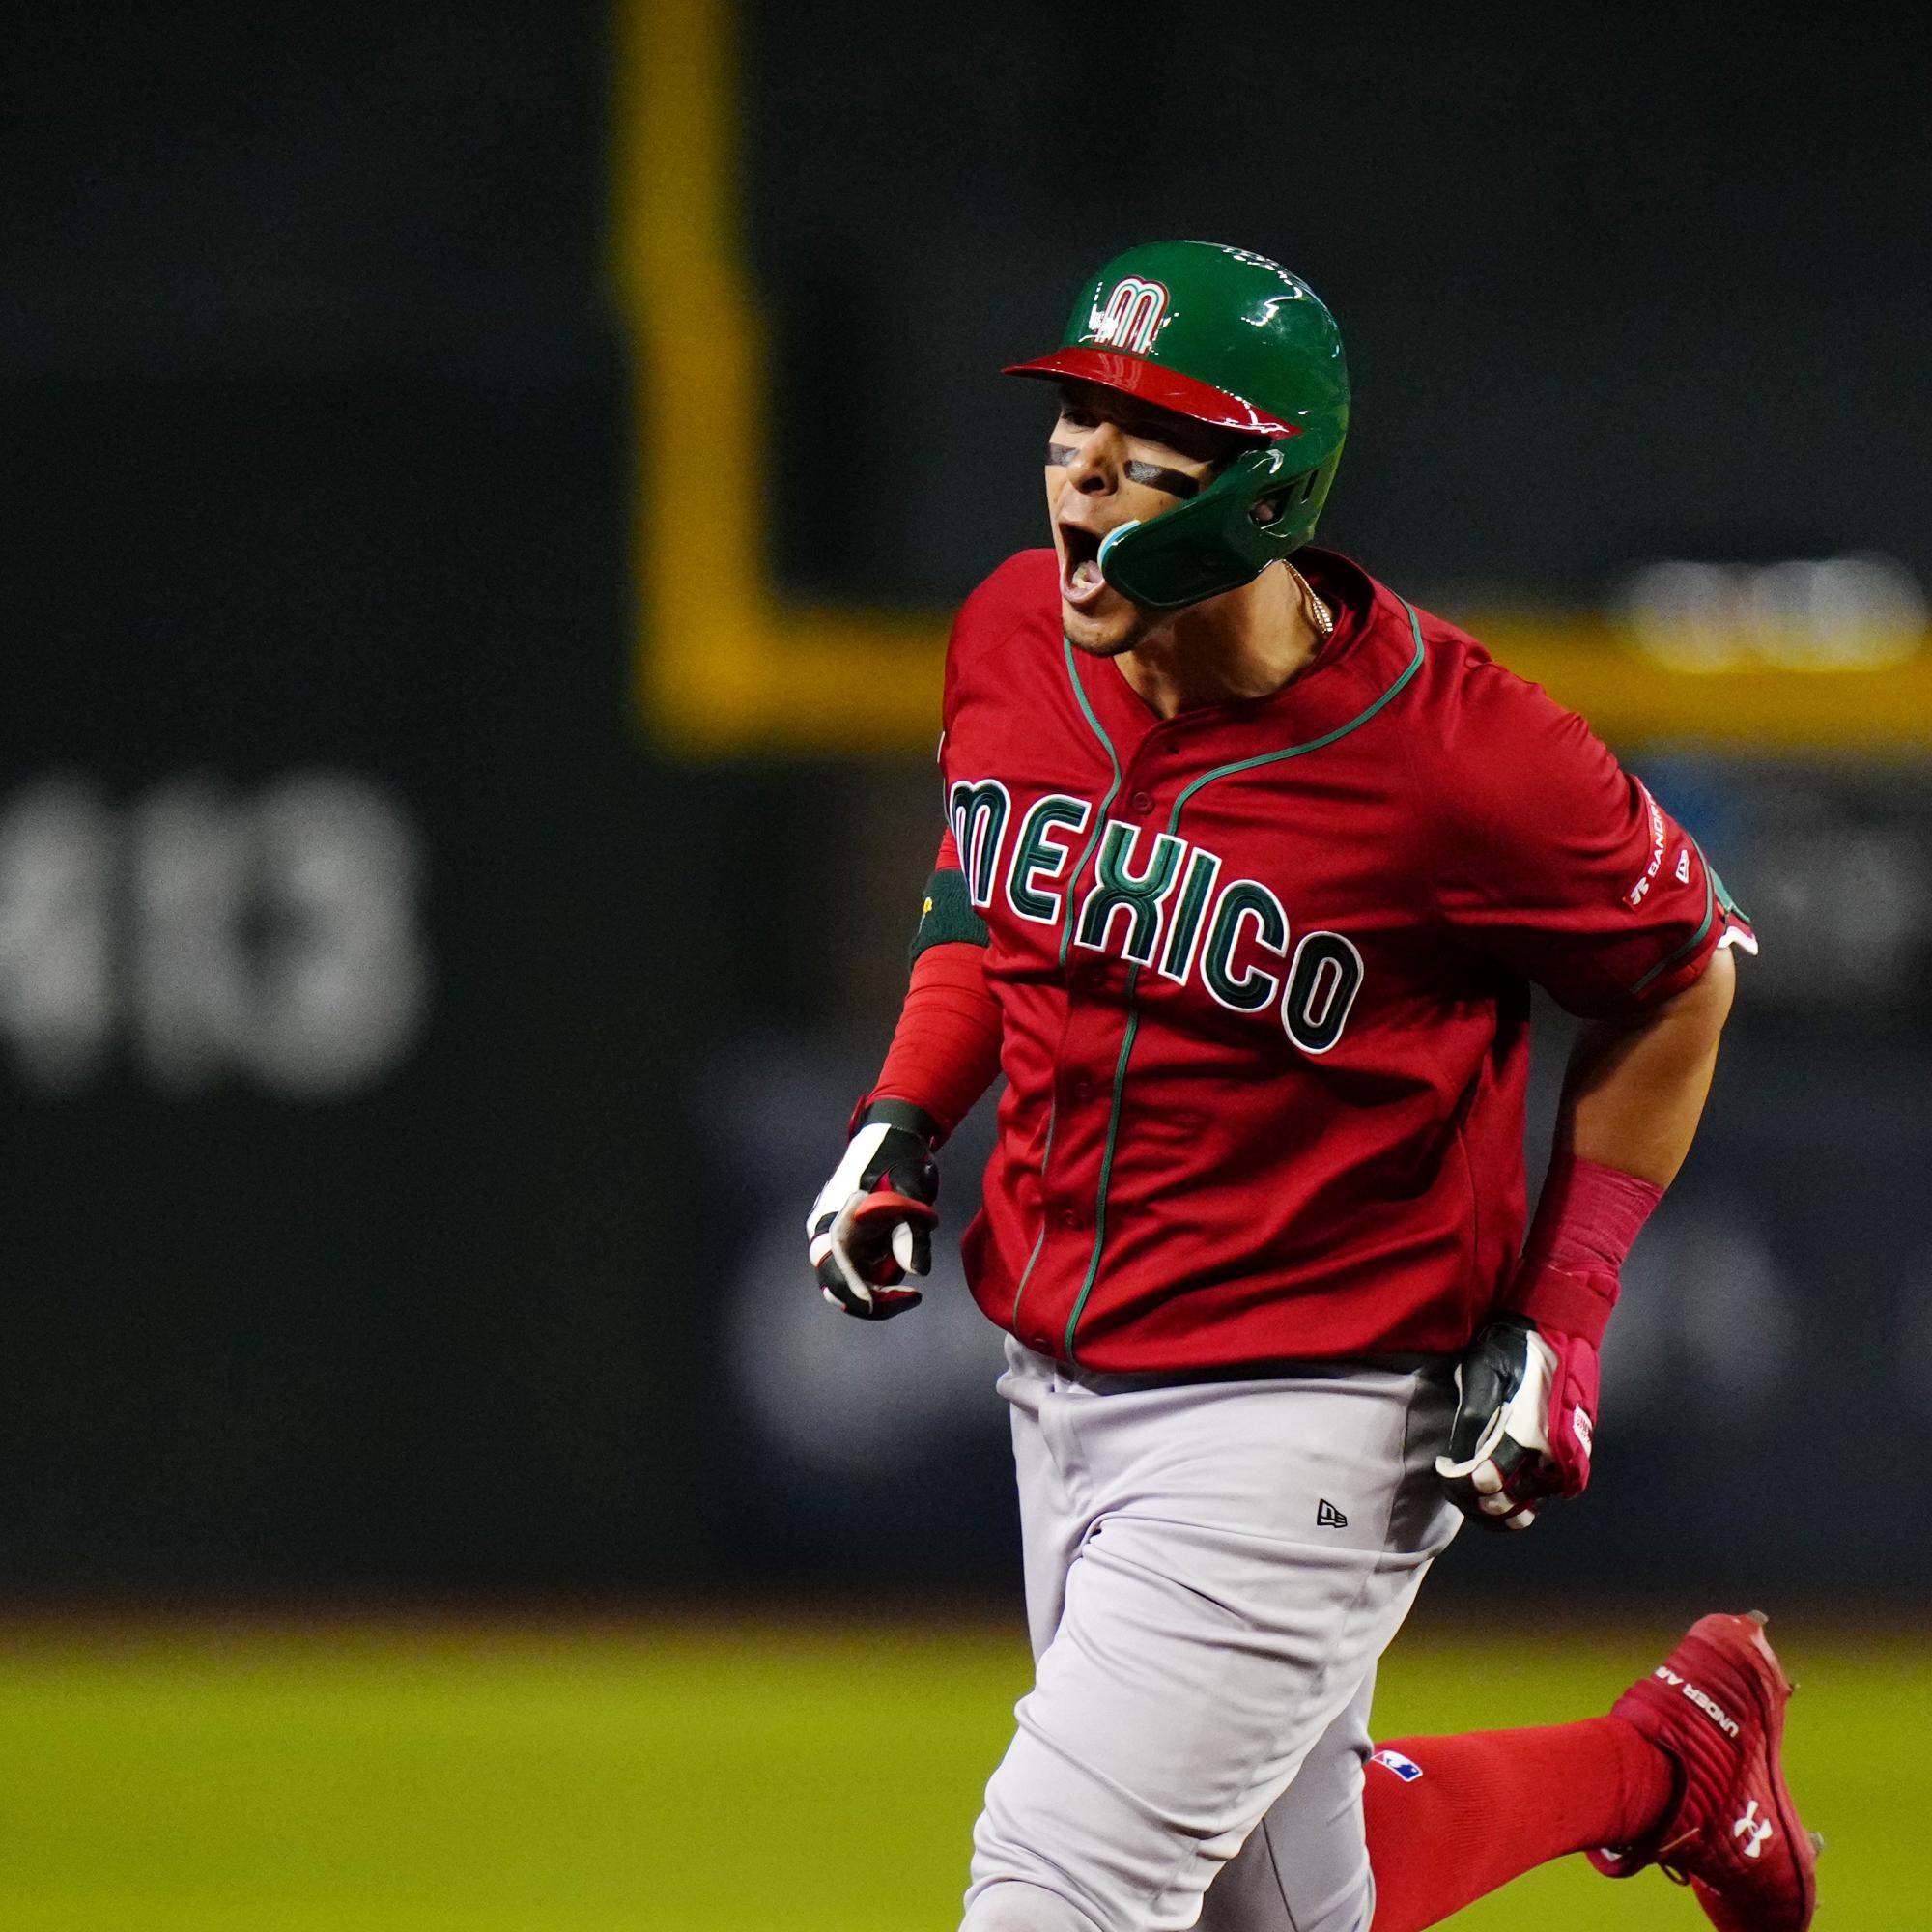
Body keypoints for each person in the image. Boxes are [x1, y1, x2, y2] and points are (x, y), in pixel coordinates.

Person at [806, 240, 1815, 1932]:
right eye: (1074, 427)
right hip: (1057, 1383)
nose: (1085, 475)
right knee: (1280, 1910)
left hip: (1311, 1405)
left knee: (1059, 1886)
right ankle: (1674, 1756)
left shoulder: (1459, 756)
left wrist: (1565, 1318)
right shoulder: (1007, 633)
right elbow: (993, 882)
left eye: (1149, 446)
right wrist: (903, 1113)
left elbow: (1680, 975)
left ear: (1265, 492)